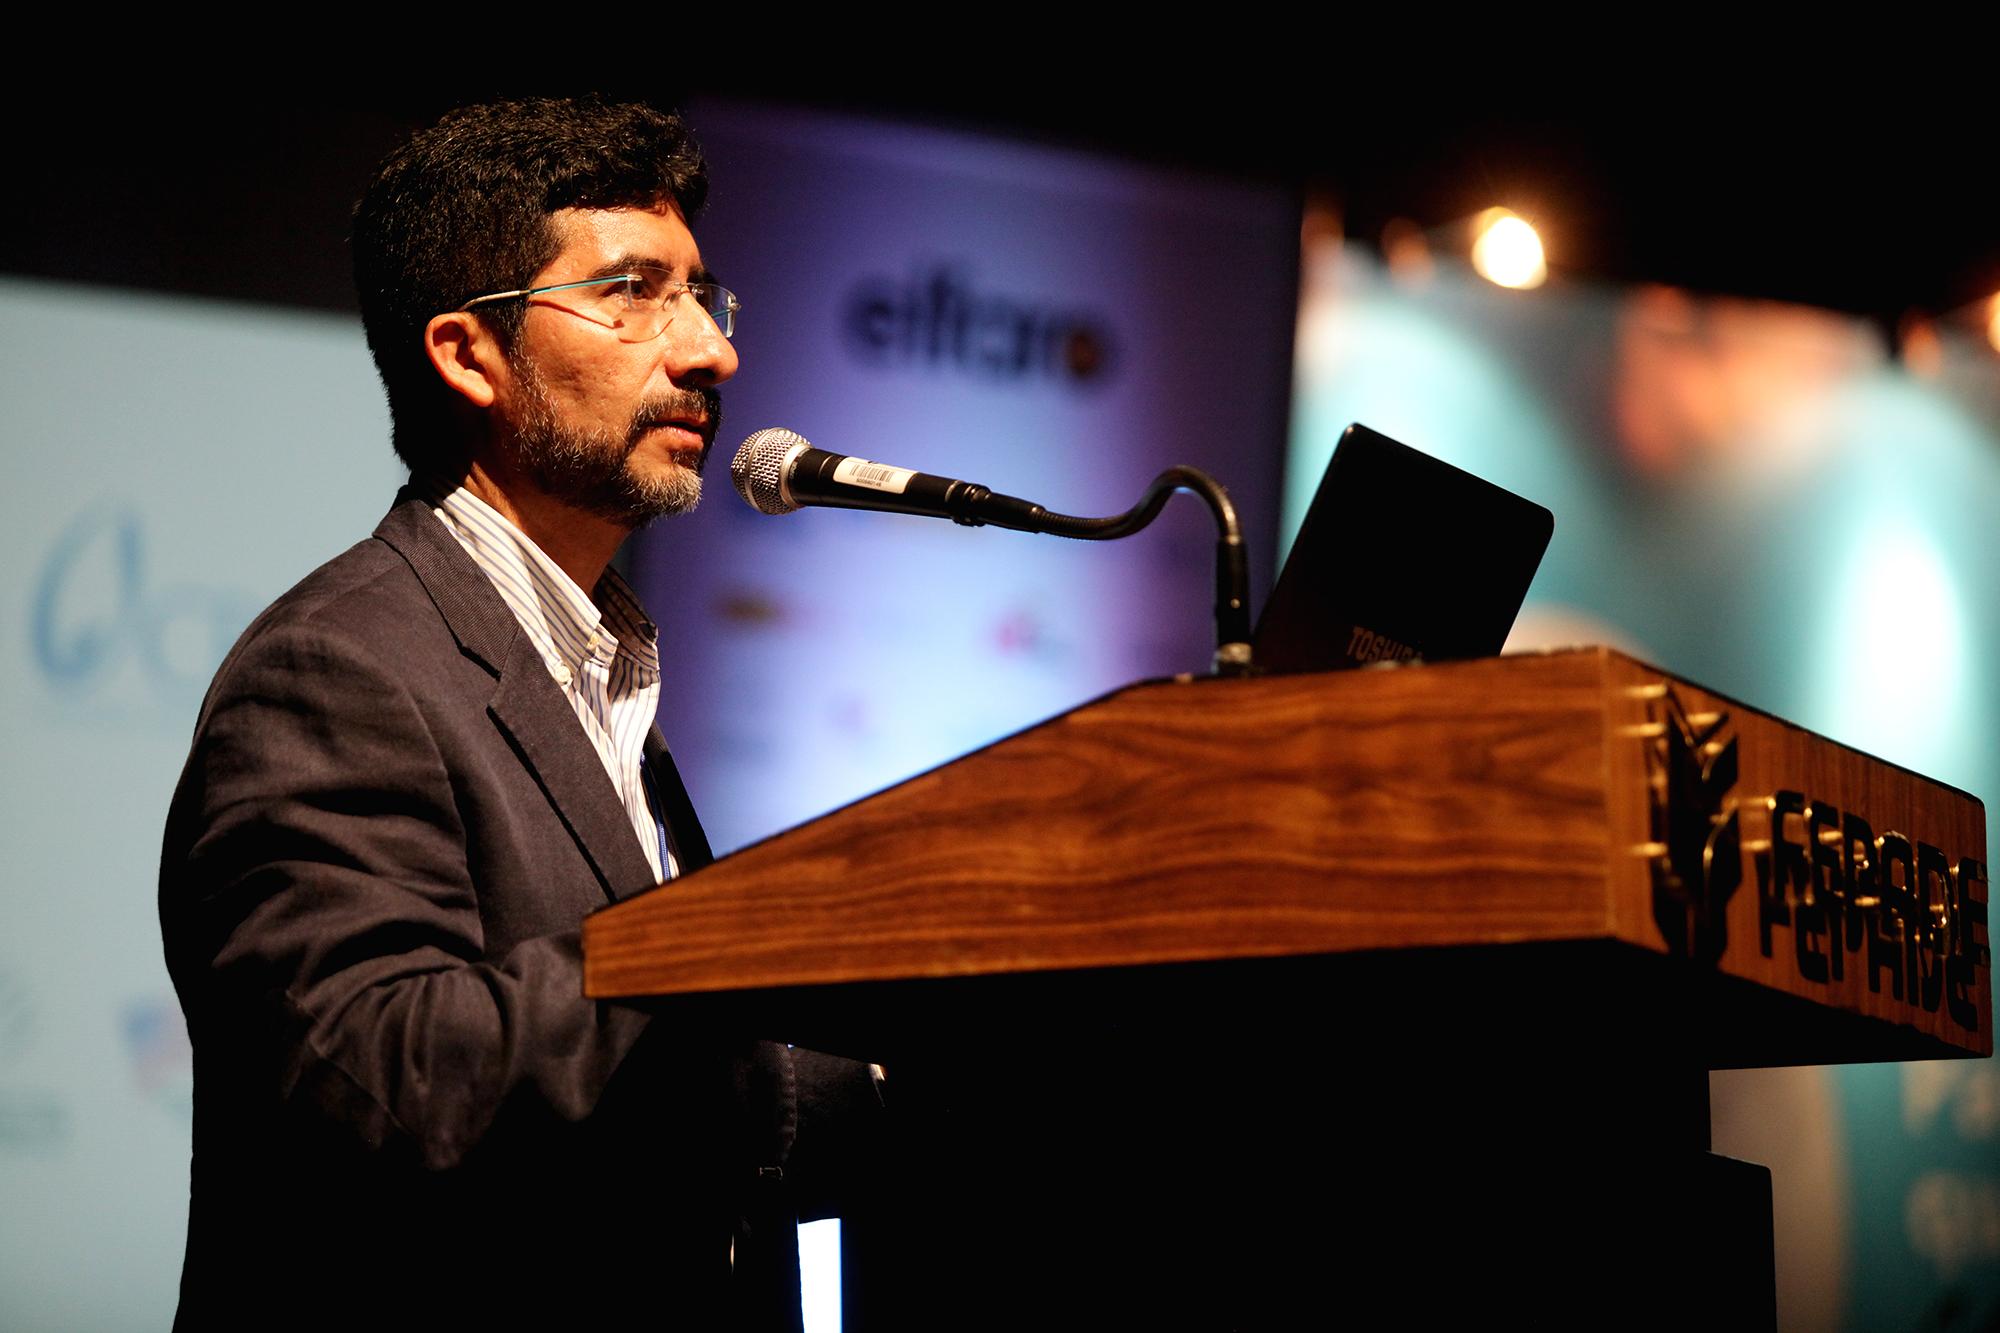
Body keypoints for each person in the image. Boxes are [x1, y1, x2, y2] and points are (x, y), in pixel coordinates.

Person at [158, 97, 875, 1330]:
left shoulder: (594, 664)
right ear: (466, 354)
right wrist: (757, 935)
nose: (708, 352)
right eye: (633, 291)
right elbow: (384, 1076)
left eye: (702, 295)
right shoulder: (337, 670)